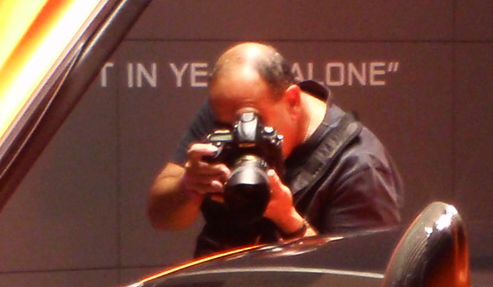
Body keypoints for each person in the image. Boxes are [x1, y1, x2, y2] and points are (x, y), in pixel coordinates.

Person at [146, 43, 405, 257]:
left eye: (254, 121)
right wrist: (188, 186)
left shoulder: (359, 164)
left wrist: (289, 220)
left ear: (292, 100)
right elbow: (160, 217)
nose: (241, 134)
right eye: (227, 125)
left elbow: (357, 286)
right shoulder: (228, 112)